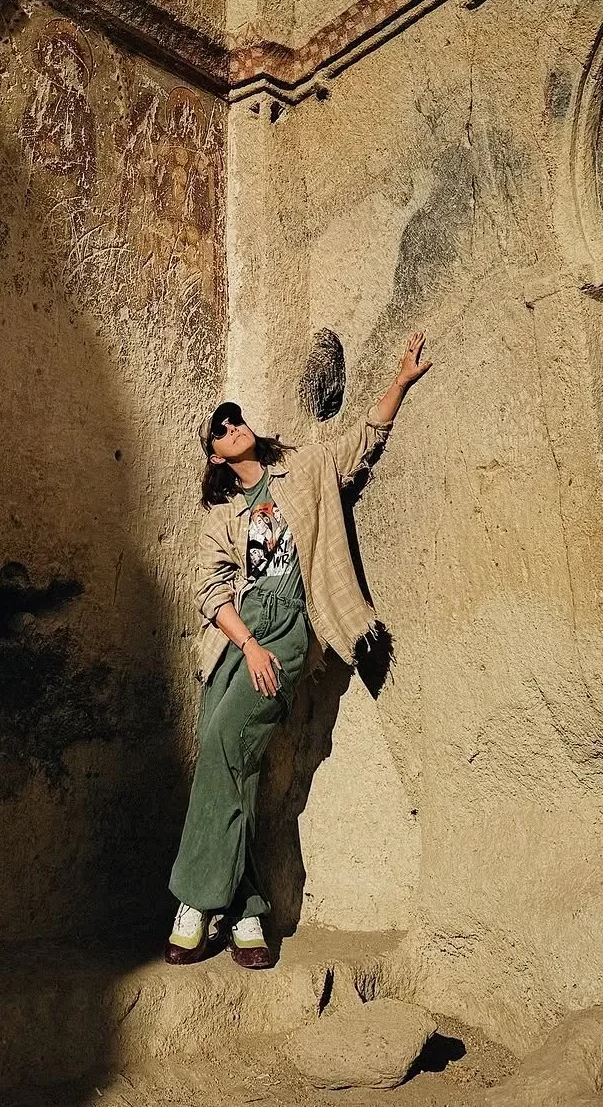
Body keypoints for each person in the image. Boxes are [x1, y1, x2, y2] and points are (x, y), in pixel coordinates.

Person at [165, 332, 432, 968]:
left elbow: (364, 438)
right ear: (214, 454)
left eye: (235, 418)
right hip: (233, 639)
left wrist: (400, 381)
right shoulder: (222, 516)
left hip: (288, 627)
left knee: (225, 741)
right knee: (236, 765)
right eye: (219, 429)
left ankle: (195, 903)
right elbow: (210, 590)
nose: (232, 426)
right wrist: (247, 645)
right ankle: (248, 913)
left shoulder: (305, 468)